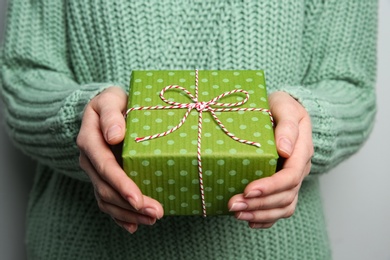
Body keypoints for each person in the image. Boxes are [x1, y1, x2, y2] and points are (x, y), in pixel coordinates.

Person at [0, 1, 377, 259]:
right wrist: (82, 120)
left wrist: (306, 124)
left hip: (279, 248)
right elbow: (23, 79)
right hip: (82, 245)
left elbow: (350, 88)